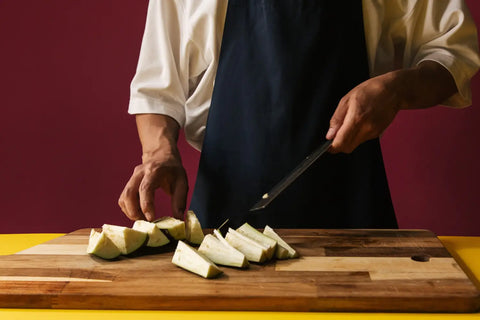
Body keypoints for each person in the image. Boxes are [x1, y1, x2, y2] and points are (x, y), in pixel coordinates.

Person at [118, 0, 480, 229]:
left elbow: (453, 55)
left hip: (351, 211)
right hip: (225, 217)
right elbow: (157, 88)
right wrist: (159, 151)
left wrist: (397, 88)